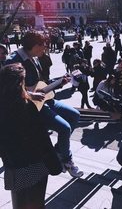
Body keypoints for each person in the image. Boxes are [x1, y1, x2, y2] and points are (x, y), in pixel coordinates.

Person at [5, 32, 83, 178]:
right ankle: (67, 161)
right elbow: (8, 89)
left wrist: (59, 82)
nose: (46, 48)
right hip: (32, 106)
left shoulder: (34, 58)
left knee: (75, 115)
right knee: (65, 128)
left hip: (46, 99)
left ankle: (60, 150)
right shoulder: (14, 60)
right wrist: (30, 95)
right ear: (34, 45)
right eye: (43, 45)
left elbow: (41, 84)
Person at [0, 63, 62, 208]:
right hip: (34, 164)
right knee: (36, 203)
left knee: (19, 202)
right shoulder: (26, 106)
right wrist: (54, 165)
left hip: (12, 165)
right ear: (20, 83)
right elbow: (42, 139)